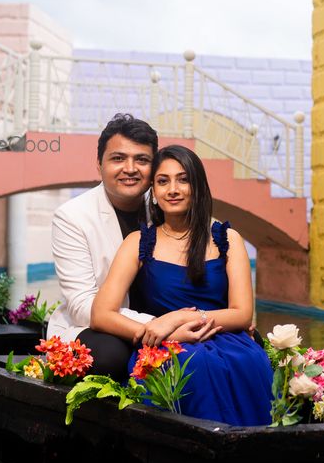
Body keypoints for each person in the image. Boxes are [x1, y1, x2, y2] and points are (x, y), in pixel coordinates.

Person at [91, 144, 273, 426]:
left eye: (183, 179)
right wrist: (162, 333)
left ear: (198, 186)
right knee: (195, 365)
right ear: (153, 190)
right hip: (167, 347)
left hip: (226, 337)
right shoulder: (139, 243)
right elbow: (101, 315)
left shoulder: (227, 239)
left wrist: (182, 317)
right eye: (163, 181)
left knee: (249, 361)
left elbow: (241, 313)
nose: (172, 189)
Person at [48, 114, 215, 380]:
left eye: (142, 160)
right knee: (112, 356)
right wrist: (160, 327)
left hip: (171, 318)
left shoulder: (168, 201)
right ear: (99, 164)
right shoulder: (72, 216)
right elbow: (83, 306)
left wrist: (223, 317)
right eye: (118, 158)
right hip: (97, 325)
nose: (130, 168)